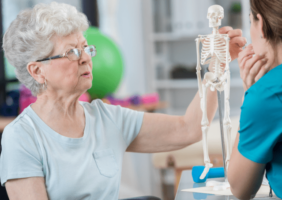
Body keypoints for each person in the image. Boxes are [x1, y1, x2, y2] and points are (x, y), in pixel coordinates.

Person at [0, 2, 245, 200]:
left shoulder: (106, 117)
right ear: (37, 71)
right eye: (72, 52)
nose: (86, 57)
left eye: (86, 47)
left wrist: (217, 67)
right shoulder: (21, 137)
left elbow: (188, 128)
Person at [228, 0, 282, 199]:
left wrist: (249, 95)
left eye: (250, 21)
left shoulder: (267, 94)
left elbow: (240, 188)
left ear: (262, 25)